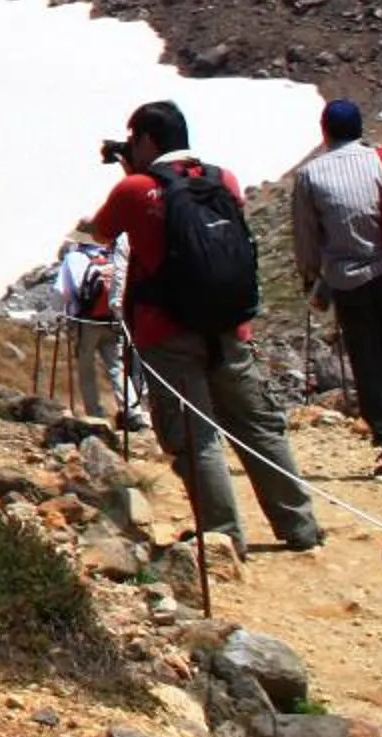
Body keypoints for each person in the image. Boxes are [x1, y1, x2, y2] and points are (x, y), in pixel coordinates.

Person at [82, 100, 326, 553]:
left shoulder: (135, 189)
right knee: (258, 425)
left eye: (134, 140)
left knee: (196, 437)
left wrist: (130, 176)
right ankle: (300, 527)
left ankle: (222, 536)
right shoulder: (222, 179)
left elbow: (102, 231)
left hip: (167, 332)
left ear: (146, 141)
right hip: (229, 326)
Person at [290, 97, 382, 480]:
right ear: (360, 129)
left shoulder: (310, 175)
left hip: (349, 280)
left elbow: (306, 236)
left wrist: (311, 278)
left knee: (368, 362)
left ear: (325, 130)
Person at [54, 237, 150, 429]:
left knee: (86, 369)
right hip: (111, 319)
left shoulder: (72, 258)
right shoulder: (105, 256)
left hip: (86, 321)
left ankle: (95, 414)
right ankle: (133, 412)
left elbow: (60, 293)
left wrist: (61, 314)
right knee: (117, 367)